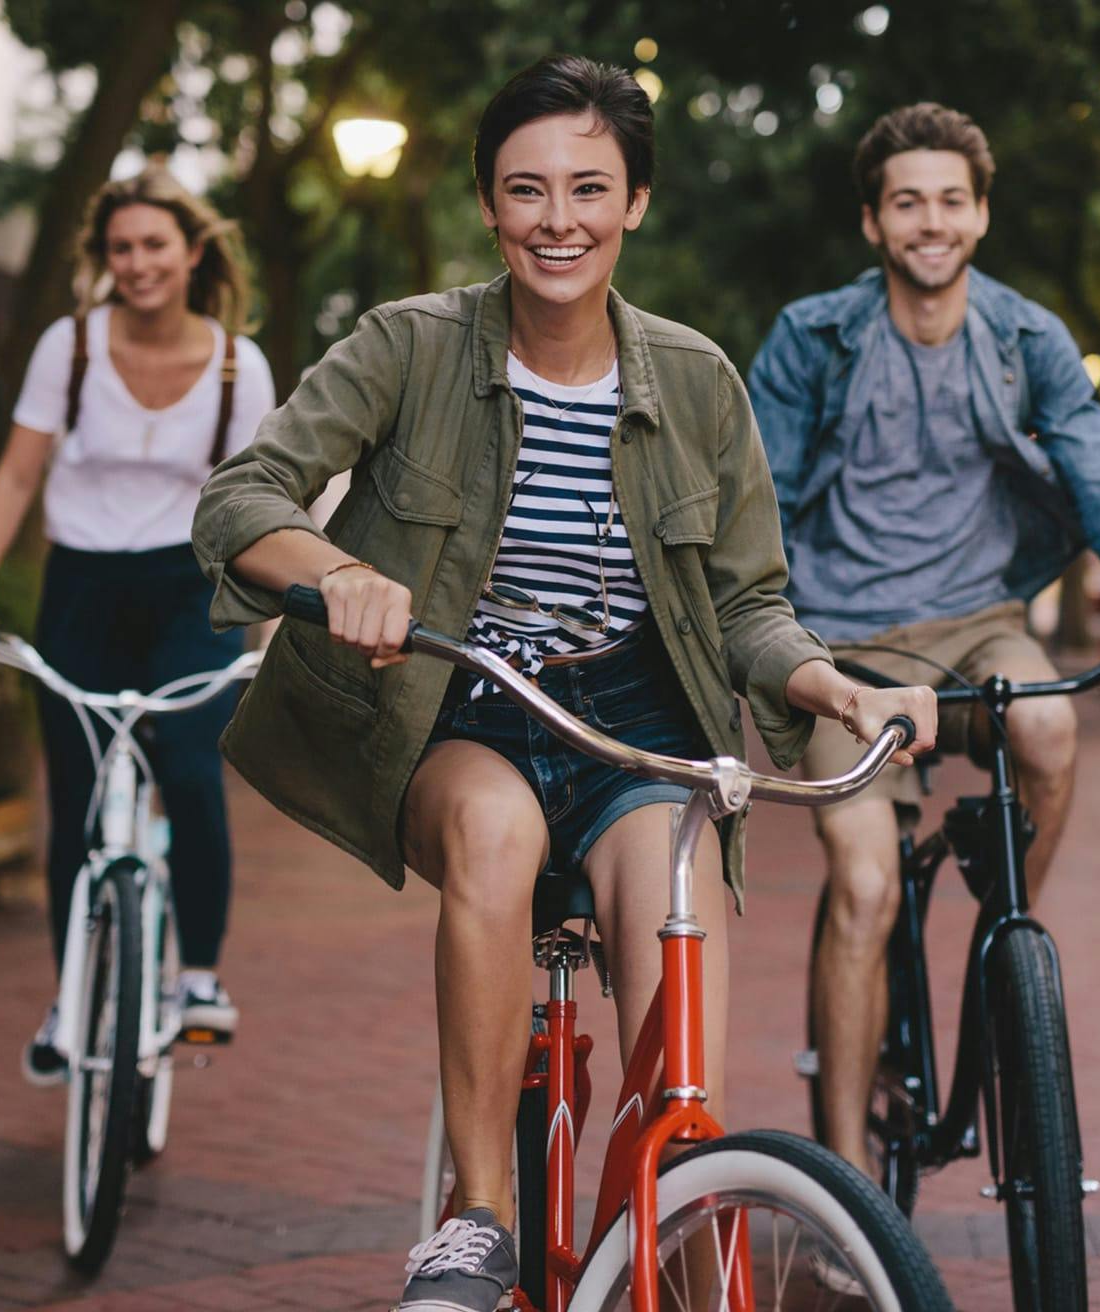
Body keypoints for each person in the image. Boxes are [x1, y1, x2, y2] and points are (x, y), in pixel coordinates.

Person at [192, 56, 937, 1312]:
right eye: (526, 189)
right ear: (489, 204)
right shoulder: (410, 345)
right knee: (496, 830)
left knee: (669, 950)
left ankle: (681, 1211)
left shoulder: (699, 381)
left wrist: (833, 687)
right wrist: (336, 572)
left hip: (640, 723)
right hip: (464, 703)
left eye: (590, 188)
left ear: (635, 201)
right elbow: (239, 501)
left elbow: (751, 603)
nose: (559, 219)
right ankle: (477, 1215)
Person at [747, 101, 1100, 1180]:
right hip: (843, 643)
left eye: (952, 201)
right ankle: (844, 1188)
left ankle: (998, 942)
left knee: (1056, 728)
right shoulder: (811, 338)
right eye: (907, 203)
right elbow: (760, 511)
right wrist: (775, 648)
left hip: (982, 623)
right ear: (875, 224)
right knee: (868, 887)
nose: (932, 222)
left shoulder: (1026, 340)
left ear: (981, 215)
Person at [0, 165, 276, 1085]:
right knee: (76, 801)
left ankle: (197, 976)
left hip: (191, 588)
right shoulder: (68, 347)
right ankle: (71, 993)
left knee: (193, 770)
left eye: (155, 244)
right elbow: (15, 476)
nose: (137, 263)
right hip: (79, 587)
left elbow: (266, 500)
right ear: (105, 258)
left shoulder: (239, 363)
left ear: (192, 252)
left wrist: (280, 620)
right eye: (120, 247)